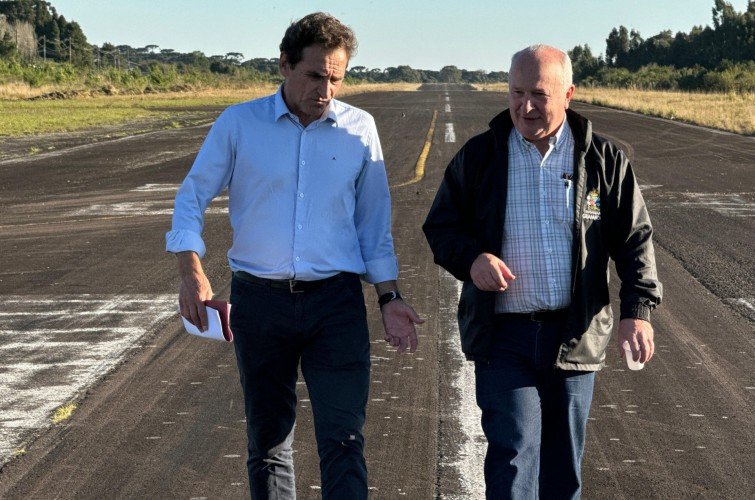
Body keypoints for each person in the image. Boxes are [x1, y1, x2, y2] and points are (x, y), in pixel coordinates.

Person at [166, 12, 423, 500]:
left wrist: (390, 297)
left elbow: (374, 225)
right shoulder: (239, 124)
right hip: (260, 304)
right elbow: (191, 197)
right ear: (284, 65)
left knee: (344, 441)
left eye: (336, 78)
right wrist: (191, 270)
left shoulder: (360, 130)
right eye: (314, 75)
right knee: (267, 443)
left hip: (336, 306)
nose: (326, 90)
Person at [423, 45, 662, 499]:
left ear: (568, 94)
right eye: (516, 92)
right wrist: (473, 259)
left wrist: (637, 309)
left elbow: (635, 239)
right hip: (503, 336)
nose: (525, 106)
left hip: (575, 335)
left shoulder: (603, 162)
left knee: (562, 470)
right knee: (513, 460)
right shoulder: (480, 158)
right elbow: (442, 227)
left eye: (539, 94)